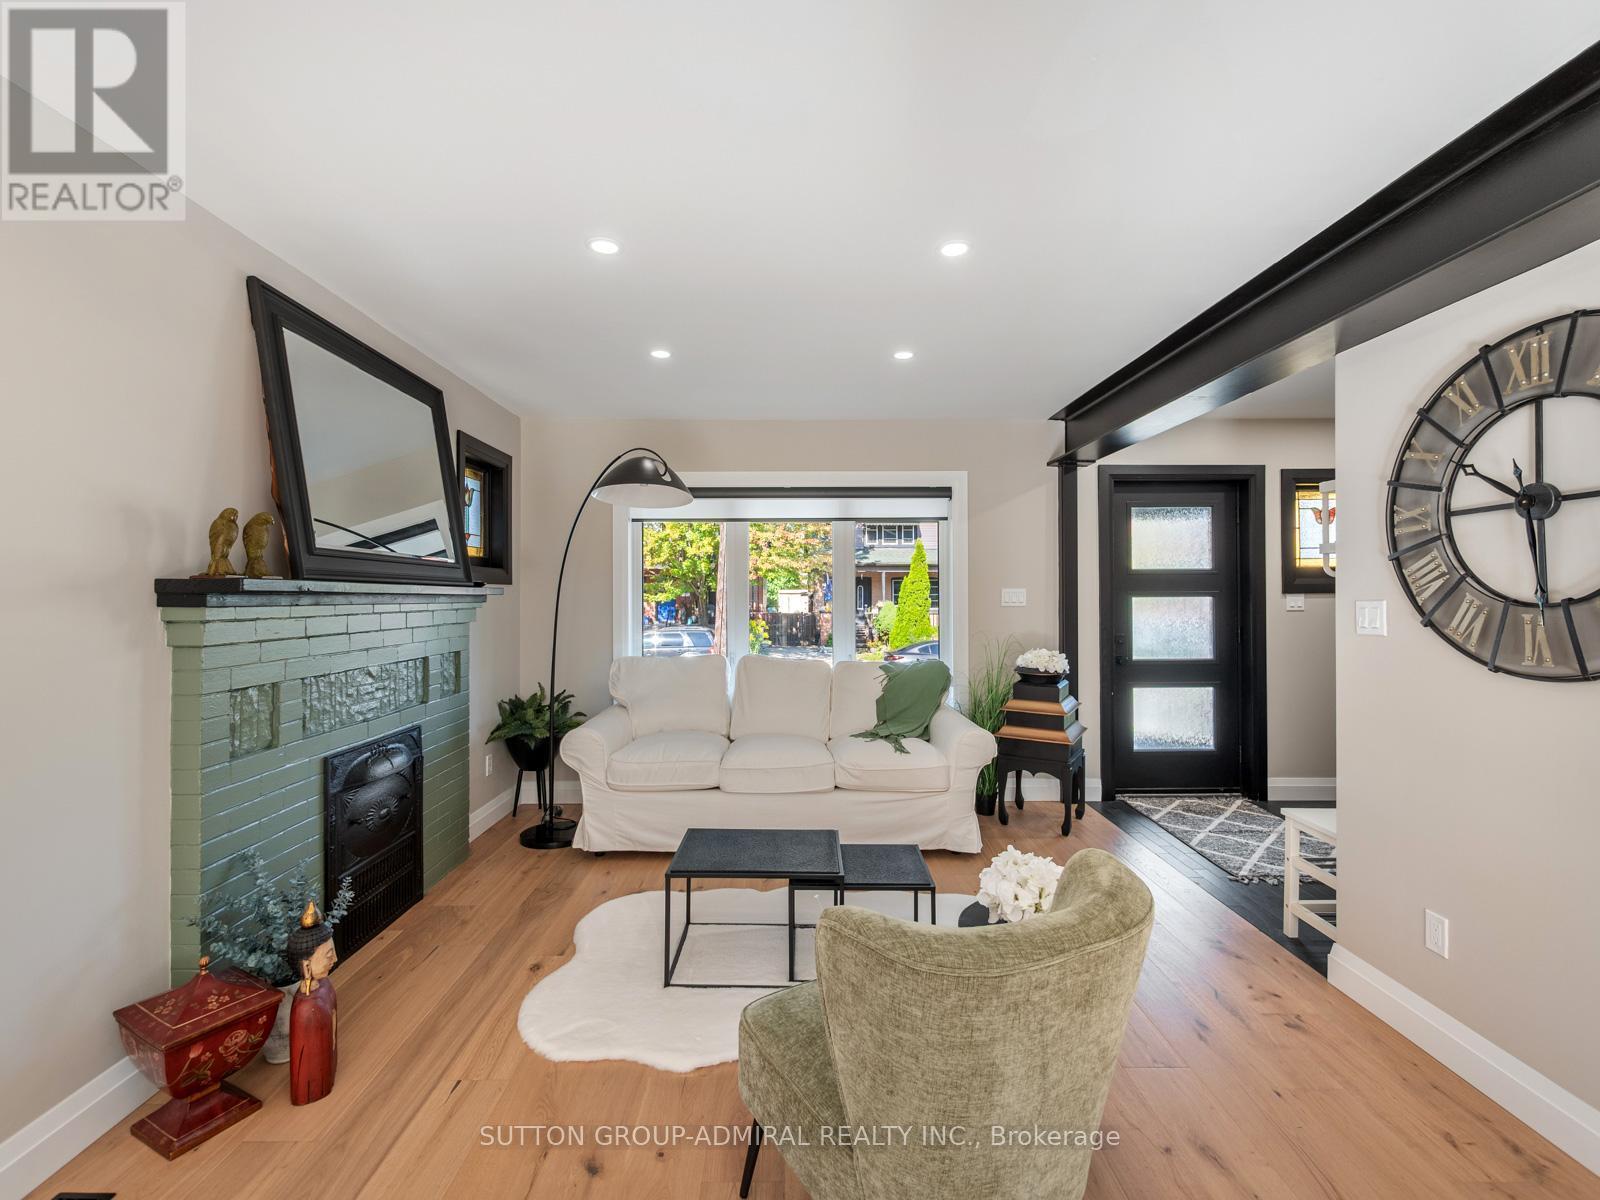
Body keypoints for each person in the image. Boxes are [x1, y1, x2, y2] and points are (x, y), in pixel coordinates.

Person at [287, 900, 337, 1105]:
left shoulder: (325, 988)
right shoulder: (305, 1008)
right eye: (328, 955)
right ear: (306, 965)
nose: (334, 959)